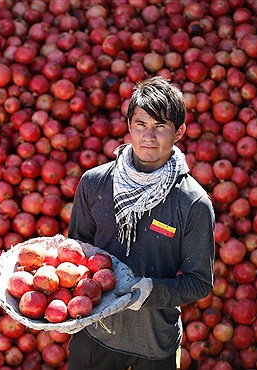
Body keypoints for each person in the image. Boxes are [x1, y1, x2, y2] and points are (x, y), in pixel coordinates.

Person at [67, 76, 215, 370]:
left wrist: (150, 291)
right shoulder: (95, 183)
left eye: (160, 126)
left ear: (179, 131)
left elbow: (200, 283)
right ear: (129, 126)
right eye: (141, 124)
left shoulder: (192, 202)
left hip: (154, 342)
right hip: (96, 333)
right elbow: (75, 254)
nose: (149, 136)